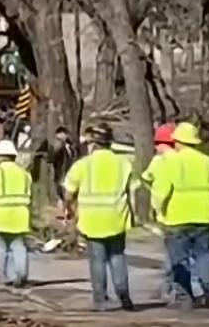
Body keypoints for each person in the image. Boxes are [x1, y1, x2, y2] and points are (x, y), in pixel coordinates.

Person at [150, 121, 209, 309]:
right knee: (204, 256)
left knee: (179, 260)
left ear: (178, 142)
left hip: (177, 217)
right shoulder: (208, 162)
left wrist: (158, 211)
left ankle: (185, 298)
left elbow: (161, 190)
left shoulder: (172, 161)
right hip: (204, 216)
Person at [63, 125, 135, 312]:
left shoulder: (82, 165)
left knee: (97, 261)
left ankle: (100, 299)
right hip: (117, 218)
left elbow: (69, 194)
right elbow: (131, 190)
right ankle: (124, 295)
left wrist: (71, 211)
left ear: (93, 144)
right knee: (118, 257)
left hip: (92, 221)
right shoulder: (124, 164)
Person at [0, 139, 33, 287]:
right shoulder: (24, 173)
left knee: (1, 246)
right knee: (18, 245)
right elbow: (29, 193)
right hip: (21, 214)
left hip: (1, 214)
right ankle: (20, 274)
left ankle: (2, 275)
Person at [141, 123, 179, 302]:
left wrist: (156, 205)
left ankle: (168, 289)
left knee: (172, 255)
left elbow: (147, 178)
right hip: (188, 212)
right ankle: (181, 289)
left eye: (158, 142)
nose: (156, 147)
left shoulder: (159, 161)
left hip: (168, 214)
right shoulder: (183, 159)